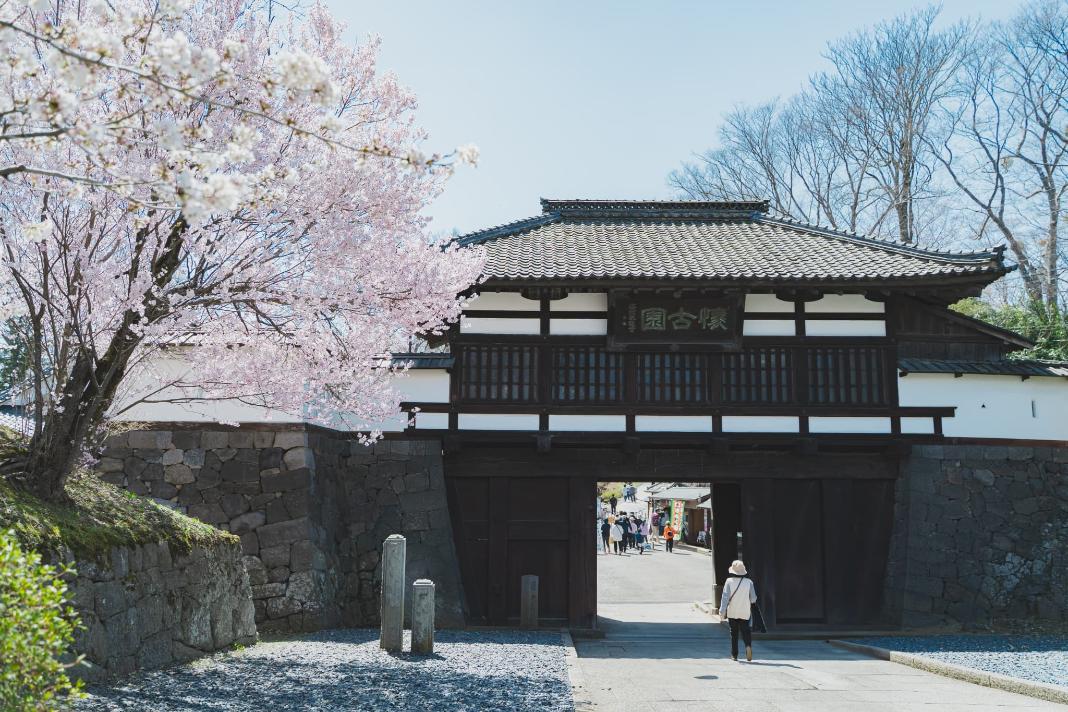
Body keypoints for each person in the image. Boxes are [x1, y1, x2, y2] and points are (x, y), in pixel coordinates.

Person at [719, 559, 758, 662]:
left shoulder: (729, 581)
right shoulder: (749, 582)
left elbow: (725, 598)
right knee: (746, 631)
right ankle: (748, 646)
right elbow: (753, 599)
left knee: (734, 633)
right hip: (745, 612)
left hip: (732, 612)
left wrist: (722, 612)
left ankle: (734, 655)